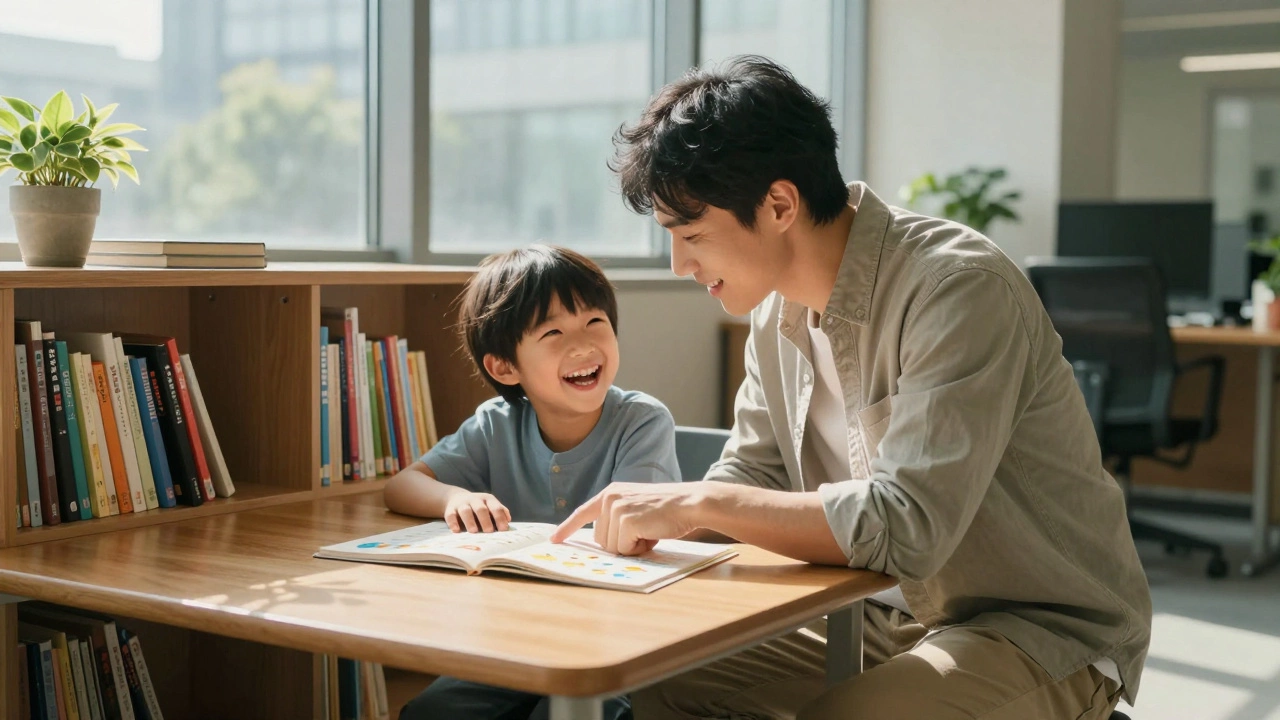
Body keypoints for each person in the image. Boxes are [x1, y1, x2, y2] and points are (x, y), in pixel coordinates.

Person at [551, 55, 1152, 719]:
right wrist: (634, 552)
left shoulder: (957, 290)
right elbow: (756, 474)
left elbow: (909, 526)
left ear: (779, 204)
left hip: (1030, 625)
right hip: (863, 612)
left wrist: (699, 501)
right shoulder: (775, 312)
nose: (681, 265)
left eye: (691, 235)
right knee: (661, 670)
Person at [389, 244, 680, 720]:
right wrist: (455, 498)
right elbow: (403, 484)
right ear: (505, 366)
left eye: (595, 323)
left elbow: (638, 526)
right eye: (553, 332)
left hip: (614, 639)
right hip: (511, 638)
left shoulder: (642, 422)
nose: (583, 346)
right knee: (432, 712)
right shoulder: (495, 424)